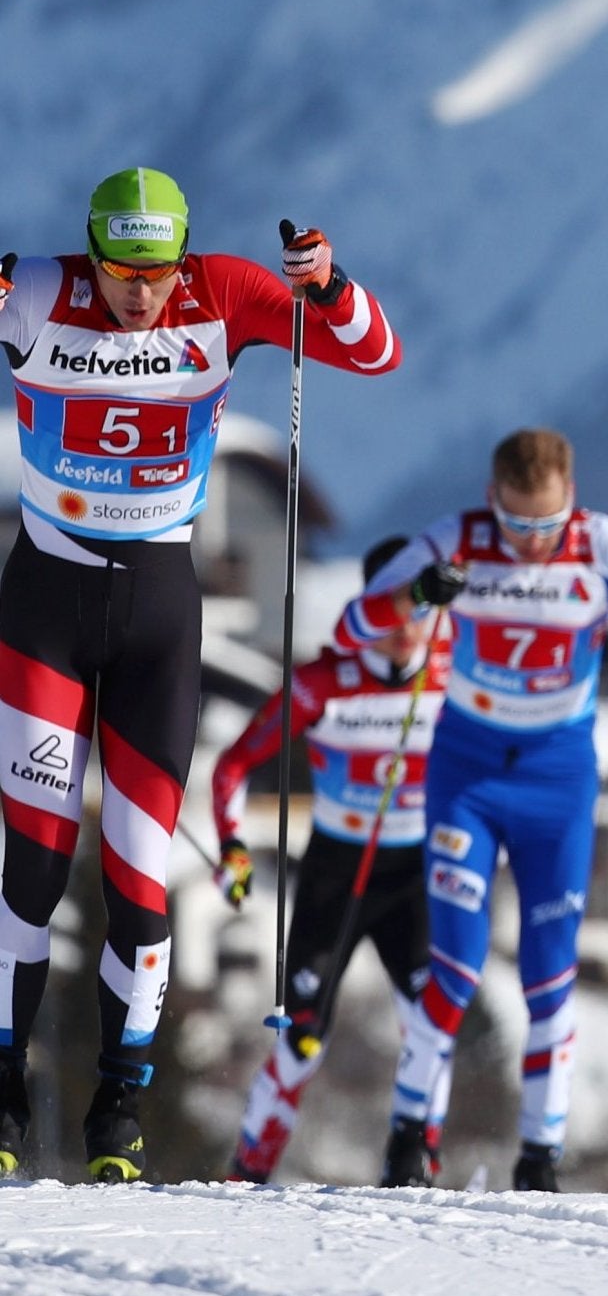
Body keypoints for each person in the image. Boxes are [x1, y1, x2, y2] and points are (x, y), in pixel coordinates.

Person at [0, 168, 398, 1182]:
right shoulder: (41, 291)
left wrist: (327, 283)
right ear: (92, 251)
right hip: (44, 607)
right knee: (36, 865)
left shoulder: (220, 290)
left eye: (157, 270)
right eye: (121, 271)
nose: (140, 292)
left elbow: (373, 352)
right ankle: (3, 1089)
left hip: (159, 615)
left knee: (140, 873)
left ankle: (119, 1106)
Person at [337, 429, 608, 1192]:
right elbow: (358, 621)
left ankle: (540, 1155)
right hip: (468, 778)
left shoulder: (601, 543)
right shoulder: (458, 538)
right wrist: (418, 597)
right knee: (452, 968)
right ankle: (409, 1137)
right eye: (517, 526)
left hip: (557, 785)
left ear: (569, 503)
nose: (529, 543)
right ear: (495, 502)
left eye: (545, 528)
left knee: (551, 977)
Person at [215, 535, 451, 1183]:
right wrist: (232, 845)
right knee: (301, 1042)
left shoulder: (458, 677)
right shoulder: (323, 683)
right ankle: (247, 1173)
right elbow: (235, 763)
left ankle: (415, 1164)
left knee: (431, 1023)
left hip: (417, 878)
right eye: (390, 610)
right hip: (335, 876)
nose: (406, 628)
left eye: (419, 612)